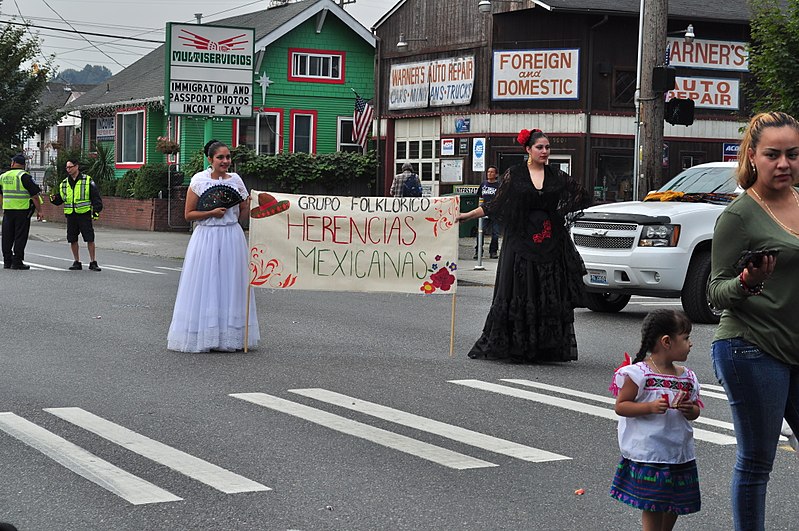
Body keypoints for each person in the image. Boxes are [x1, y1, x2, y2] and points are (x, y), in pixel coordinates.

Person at [707, 111, 799, 531]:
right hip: (750, 346)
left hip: (794, 344)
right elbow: (714, 293)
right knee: (758, 459)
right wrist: (746, 282)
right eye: (773, 154)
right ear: (753, 156)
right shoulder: (739, 216)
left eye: (793, 154)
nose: (784, 164)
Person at [456, 128, 591, 362]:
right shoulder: (515, 174)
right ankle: (517, 346)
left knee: (545, 291)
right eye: (540, 147)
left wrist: (556, 213)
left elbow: (583, 196)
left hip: (549, 242)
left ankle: (545, 347)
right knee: (521, 288)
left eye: (548, 147)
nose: (545, 151)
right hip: (520, 243)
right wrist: (468, 215)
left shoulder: (556, 175)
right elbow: (495, 204)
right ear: (528, 149)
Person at [609, 309, 702, 531]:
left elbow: (696, 410)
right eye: (686, 338)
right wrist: (648, 407)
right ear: (667, 342)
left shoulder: (687, 377)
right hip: (651, 453)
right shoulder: (638, 374)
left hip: (678, 453)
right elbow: (621, 406)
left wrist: (690, 410)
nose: (690, 344)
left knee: (675, 503)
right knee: (653, 505)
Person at [167, 139, 259, 352]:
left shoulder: (236, 180)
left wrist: (247, 207)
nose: (225, 161)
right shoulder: (199, 180)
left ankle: (230, 334)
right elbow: (189, 214)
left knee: (231, 282)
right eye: (220, 157)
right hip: (207, 235)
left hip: (232, 235)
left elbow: (243, 212)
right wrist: (211, 212)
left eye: (228, 157)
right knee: (207, 282)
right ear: (210, 159)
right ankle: (204, 333)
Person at [50, 158, 103, 271]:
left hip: (84, 214)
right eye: (67, 167)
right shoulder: (64, 183)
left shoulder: (87, 180)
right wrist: (54, 199)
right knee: (72, 239)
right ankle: (76, 262)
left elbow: (95, 197)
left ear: (76, 166)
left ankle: (93, 262)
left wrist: (96, 211)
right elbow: (61, 198)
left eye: (70, 167)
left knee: (89, 238)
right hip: (71, 215)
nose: (68, 169)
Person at [1, 153, 42, 269]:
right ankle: (17, 261)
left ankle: (7, 261)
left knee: (7, 236)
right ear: (23, 165)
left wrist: (3, 204)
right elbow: (34, 196)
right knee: (20, 236)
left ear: (13, 163)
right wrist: (40, 211)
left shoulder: (3, 176)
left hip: (8, 211)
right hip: (22, 211)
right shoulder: (24, 176)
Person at [474, 165, 501, 259]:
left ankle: (493, 251)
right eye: (488, 172)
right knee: (480, 232)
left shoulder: (499, 186)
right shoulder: (483, 184)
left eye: (492, 172)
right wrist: (479, 209)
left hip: (495, 212)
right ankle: (478, 251)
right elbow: (480, 197)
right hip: (484, 211)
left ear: (496, 174)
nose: (489, 174)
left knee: (495, 233)